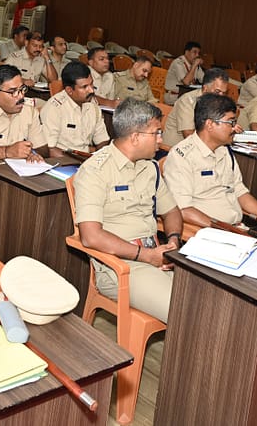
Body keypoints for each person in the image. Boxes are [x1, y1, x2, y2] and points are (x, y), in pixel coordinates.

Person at [74, 98, 183, 323]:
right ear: (135, 137)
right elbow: (90, 236)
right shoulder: (96, 171)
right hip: (120, 266)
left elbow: (171, 212)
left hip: (156, 254)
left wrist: (173, 240)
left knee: (208, 298)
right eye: (156, 133)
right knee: (183, 312)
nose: (161, 140)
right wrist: (147, 256)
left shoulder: (149, 167)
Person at [164, 93, 257, 226]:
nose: (235, 128)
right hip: (209, 230)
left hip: (235, 227)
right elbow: (183, 209)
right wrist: (223, 229)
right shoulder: (182, 156)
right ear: (210, 124)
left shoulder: (224, 150)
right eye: (231, 122)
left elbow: (239, 191)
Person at [40, 62, 109, 158]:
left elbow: (102, 140)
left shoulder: (92, 105)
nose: (91, 90)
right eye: (84, 87)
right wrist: (79, 161)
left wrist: (100, 158)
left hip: (86, 158)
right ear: (69, 90)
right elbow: (49, 149)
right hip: (63, 160)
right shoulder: (54, 109)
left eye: (91, 84)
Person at [162, 68, 228, 148]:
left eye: (224, 93)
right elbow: (188, 134)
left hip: (200, 145)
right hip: (176, 148)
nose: (221, 97)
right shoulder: (187, 101)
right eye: (217, 92)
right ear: (205, 89)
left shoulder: (218, 103)